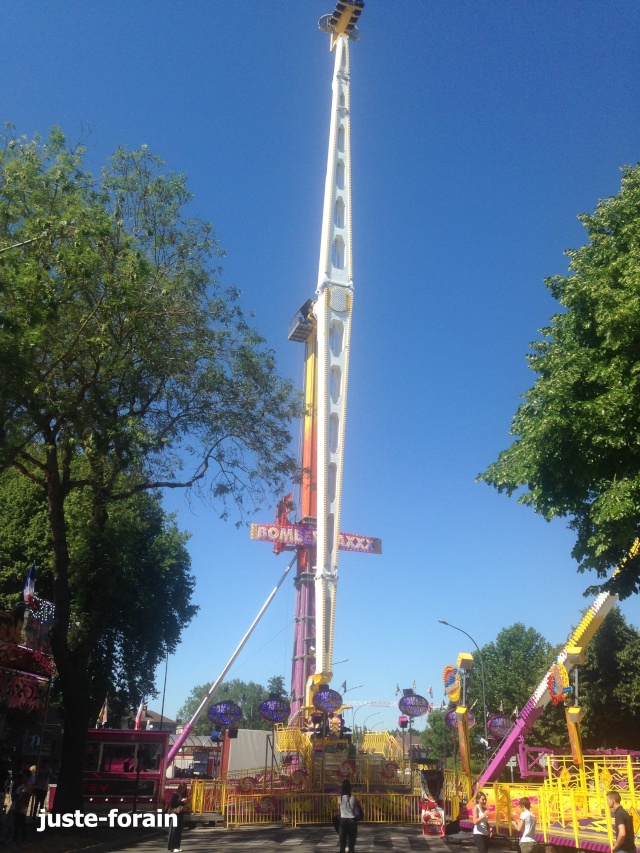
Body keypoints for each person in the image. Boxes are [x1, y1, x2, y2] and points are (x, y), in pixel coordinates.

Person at [337, 778, 358, 853]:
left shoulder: (340, 798)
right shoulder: (354, 798)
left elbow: (338, 812)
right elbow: (356, 810)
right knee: (351, 845)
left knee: (342, 845)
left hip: (343, 821)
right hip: (352, 822)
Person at [166, 783, 188, 853]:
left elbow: (181, 804)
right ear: (180, 788)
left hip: (180, 813)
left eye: (184, 789)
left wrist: (185, 802)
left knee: (179, 830)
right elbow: (173, 804)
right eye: (182, 788)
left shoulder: (182, 795)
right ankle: (172, 847)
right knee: (174, 830)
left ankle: (177, 846)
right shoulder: (175, 794)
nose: (183, 790)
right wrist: (181, 801)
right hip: (174, 814)